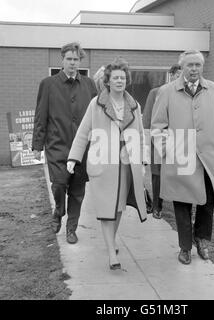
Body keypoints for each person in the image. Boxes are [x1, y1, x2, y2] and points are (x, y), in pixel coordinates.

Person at [67, 58, 147, 270]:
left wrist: (143, 160)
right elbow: (83, 132)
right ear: (108, 81)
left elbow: (139, 135)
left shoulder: (135, 106)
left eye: (123, 78)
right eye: (115, 78)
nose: (119, 81)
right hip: (102, 163)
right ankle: (112, 252)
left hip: (126, 164)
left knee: (119, 207)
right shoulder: (97, 104)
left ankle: (111, 240)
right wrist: (73, 157)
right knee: (106, 207)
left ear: (126, 81)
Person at [151, 50, 214, 264]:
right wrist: (169, 150)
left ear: (202, 67)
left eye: (198, 65)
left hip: (207, 158)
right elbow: (157, 127)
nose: (194, 69)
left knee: (208, 201)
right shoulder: (166, 92)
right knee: (182, 204)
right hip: (180, 157)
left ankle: (202, 239)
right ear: (181, 67)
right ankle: (185, 247)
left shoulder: (213, 89)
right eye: (189, 65)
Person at [32, 42, 97, 244]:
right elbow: (40, 115)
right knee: (59, 185)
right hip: (57, 146)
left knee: (77, 192)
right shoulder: (48, 84)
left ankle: (71, 229)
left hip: (82, 149)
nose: (72, 63)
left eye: (76, 59)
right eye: (69, 59)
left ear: (80, 61)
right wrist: (37, 145)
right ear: (62, 60)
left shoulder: (89, 84)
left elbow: (96, 116)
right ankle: (58, 211)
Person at [142, 64, 181, 219]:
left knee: (179, 174)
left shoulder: (184, 94)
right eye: (177, 74)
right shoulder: (156, 92)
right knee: (158, 175)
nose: (180, 78)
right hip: (158, 140)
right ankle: (157, 206)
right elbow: (147, 120)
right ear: (171, 75)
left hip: (179, 141)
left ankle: (181, 207)